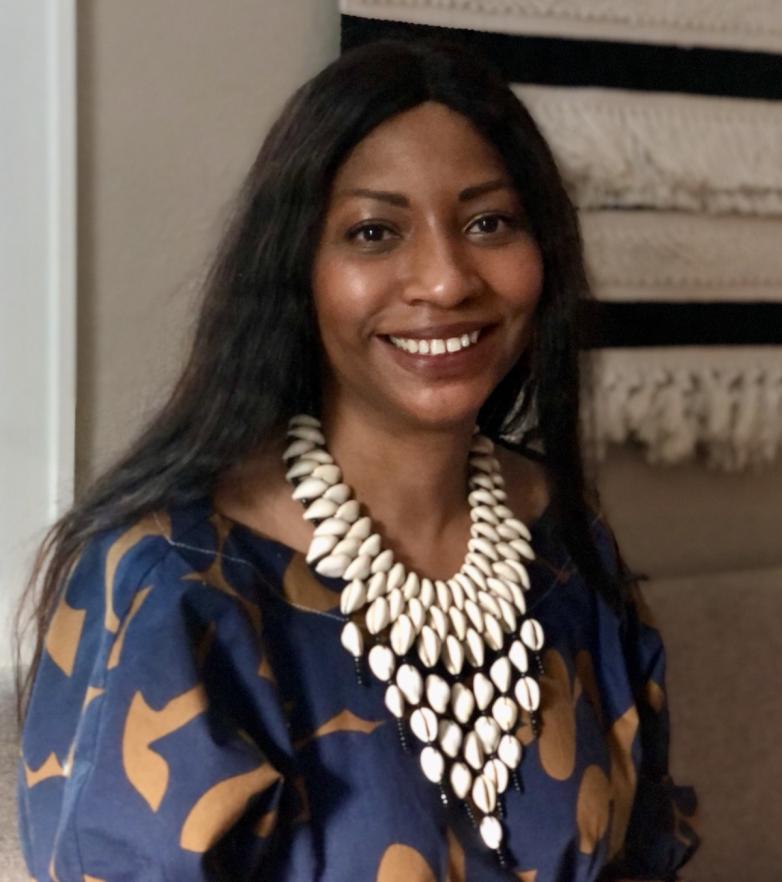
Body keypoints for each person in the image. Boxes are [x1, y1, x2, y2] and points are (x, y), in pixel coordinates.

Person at [16, 39, 698, 882]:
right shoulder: (176, 582)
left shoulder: (565, 537)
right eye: (374, 232)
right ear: (295, 268)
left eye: (489, 223)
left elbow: (642, 851)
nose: (445, 281)